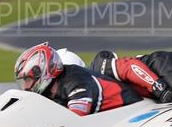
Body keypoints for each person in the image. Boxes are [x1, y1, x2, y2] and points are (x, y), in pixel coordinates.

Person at [14, 43, 144, 116]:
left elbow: (75, 118)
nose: (26, 87)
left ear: (41, 72)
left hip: (129, 114)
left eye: (27, 80)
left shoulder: (75, 81)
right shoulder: (54, 91)